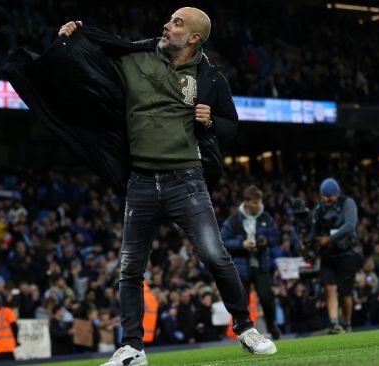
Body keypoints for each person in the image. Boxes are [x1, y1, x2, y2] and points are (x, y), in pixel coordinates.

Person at [54, 8, 276, 365]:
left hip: (186, 180)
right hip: (140, 180)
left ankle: (247, 328)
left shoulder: (211, 78)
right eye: (170, 20)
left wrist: (212, 121)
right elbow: (95, 57)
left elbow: (233, 127)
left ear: (193, 38)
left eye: (177, 23)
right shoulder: (136, 57)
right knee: (129, 268)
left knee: (216, 256)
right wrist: (76, 33)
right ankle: (132, 347)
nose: (166, 25)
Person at [221, 185, 281, 339]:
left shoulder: (266, 218)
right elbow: (223, 241)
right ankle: (243, 331)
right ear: (246, 202)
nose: (258, 205)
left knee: (267, 298)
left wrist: (265, 241)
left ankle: (271, 325)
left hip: (260, 264)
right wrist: (242, 245)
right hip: (241, 266)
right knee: (242, 301)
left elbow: (276, 237)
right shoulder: (233, 220)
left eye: (259, 202)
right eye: (255, 202)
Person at [307, 178, 362, 334]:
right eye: (324, 196)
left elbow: (350, 225)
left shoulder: (347, 203)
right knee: (329, 287)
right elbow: (314, 231)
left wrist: (330, 239)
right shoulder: (319, 209)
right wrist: (308, 241)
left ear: (336, 194)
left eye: (329, 196)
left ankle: (347, 322)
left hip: (347, 253)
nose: (326, 199)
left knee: (345, 293)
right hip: (328, 254)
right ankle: (334, 324)